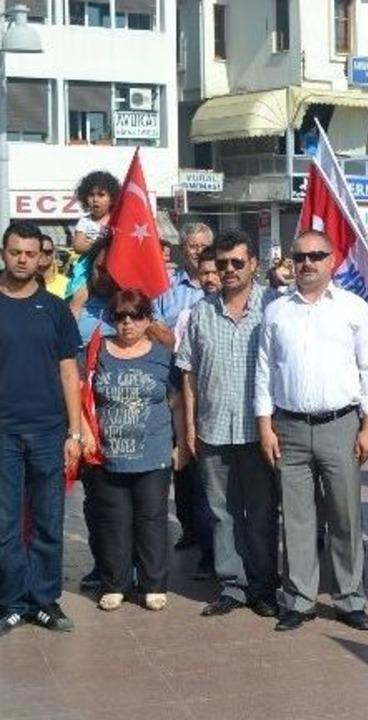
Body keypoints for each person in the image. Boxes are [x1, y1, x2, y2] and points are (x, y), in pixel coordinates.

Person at [255, 229, 368, 632]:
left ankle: (349, 598)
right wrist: (265, 426)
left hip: (340, 426)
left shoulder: (353, 308)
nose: (307, 263)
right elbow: (263, 372)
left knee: (345, 516)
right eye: (300, 256)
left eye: (316, 255)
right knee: (296, 519)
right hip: (289, 426)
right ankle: (299, 598)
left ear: (332, 261)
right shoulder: (276, 310)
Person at [177, 230, 279, 620]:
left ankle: (264, 585)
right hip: (214, 426)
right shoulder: (201, 311)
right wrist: (189, 425)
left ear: (253, 263)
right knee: (222, 513)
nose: (230, 270)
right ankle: (233, 585)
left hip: (260, 431)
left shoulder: (272, 306)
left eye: (238, 262)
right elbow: (188, 372)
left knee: (262, 511)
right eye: (223, 264)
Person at [0, 221, 82, 636]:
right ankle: (12, 601)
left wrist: (75, 432)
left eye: (31, 254)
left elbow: (70, 373)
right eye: (16, 252)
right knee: (6, 522)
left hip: (50, 432)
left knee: (50, 519)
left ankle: (44, 601)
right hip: (4, 434)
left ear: (40, 258)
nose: (23, 260)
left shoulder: (54, 308)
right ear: (3, 252)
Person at [86, 289, 179, 612]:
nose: (127, 324)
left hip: (152, 452)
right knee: (114, 521)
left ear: (147, 319)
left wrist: (179, 444)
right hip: (108, 454)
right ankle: (115, 584)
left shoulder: (162, 355)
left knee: (152, 519)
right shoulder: (98, 351)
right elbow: (84, 395)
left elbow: (176, 401)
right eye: (120, 317)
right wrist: (83, 434)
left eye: (135, 316)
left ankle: (153, 584)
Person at [157, 223, 213, 553]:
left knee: (210, 466)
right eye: (190, 245)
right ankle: (190, 527)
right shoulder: (167, 286)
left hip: (212, 386)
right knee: (183, 459)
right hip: (175, 382)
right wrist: (174, 341)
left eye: (202, 245)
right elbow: (155, 327)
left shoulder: (221, 283)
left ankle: (211, 538)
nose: (196, 250)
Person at [67, 171, 121, 318]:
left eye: (101, 195)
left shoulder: (116, 221)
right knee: (79, 297)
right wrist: (98, 245)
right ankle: (71, 328)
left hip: (111, 265)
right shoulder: (85, 221)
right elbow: (78, 245)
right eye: (91, 195)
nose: (95, 200)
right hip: (86, 265)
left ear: (112, 198)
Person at [154, 222, 213, 329]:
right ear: (182, 250)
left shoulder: (223, 284)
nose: (199, 251)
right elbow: (156, 322)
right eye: (193, 246)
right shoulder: (166, 282)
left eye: (203, 246)